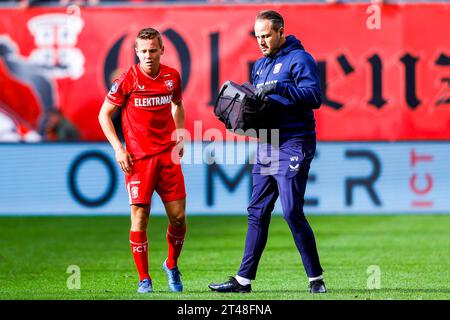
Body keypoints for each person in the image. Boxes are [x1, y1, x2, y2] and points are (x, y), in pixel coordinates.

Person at [208, 10, 326, 294]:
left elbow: (314, 97)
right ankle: (243, 280)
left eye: (266, 35)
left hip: (294, 142)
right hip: (267, 143)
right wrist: (243, 116)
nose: (261, 41)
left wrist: (281, 86)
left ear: (280, 32)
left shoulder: (300, 59)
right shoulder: (259, 66)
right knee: (257, 211)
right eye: (257, 36)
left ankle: (316, 279)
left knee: (291, 210)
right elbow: (264, 108)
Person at [98, 28, 187, 293]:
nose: (148, 56)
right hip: (138, 159)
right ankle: (144, 278)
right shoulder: (128, 79)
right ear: (136, 52)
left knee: (179, 218)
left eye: (153, 50)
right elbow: (104, 115)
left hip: (167, 156)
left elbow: (178, 105)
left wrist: (180, 135)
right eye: (143, 51)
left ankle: (171, 264)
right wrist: (118, 148)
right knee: (140, 217)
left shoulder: (172, 77)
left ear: (162, 50)